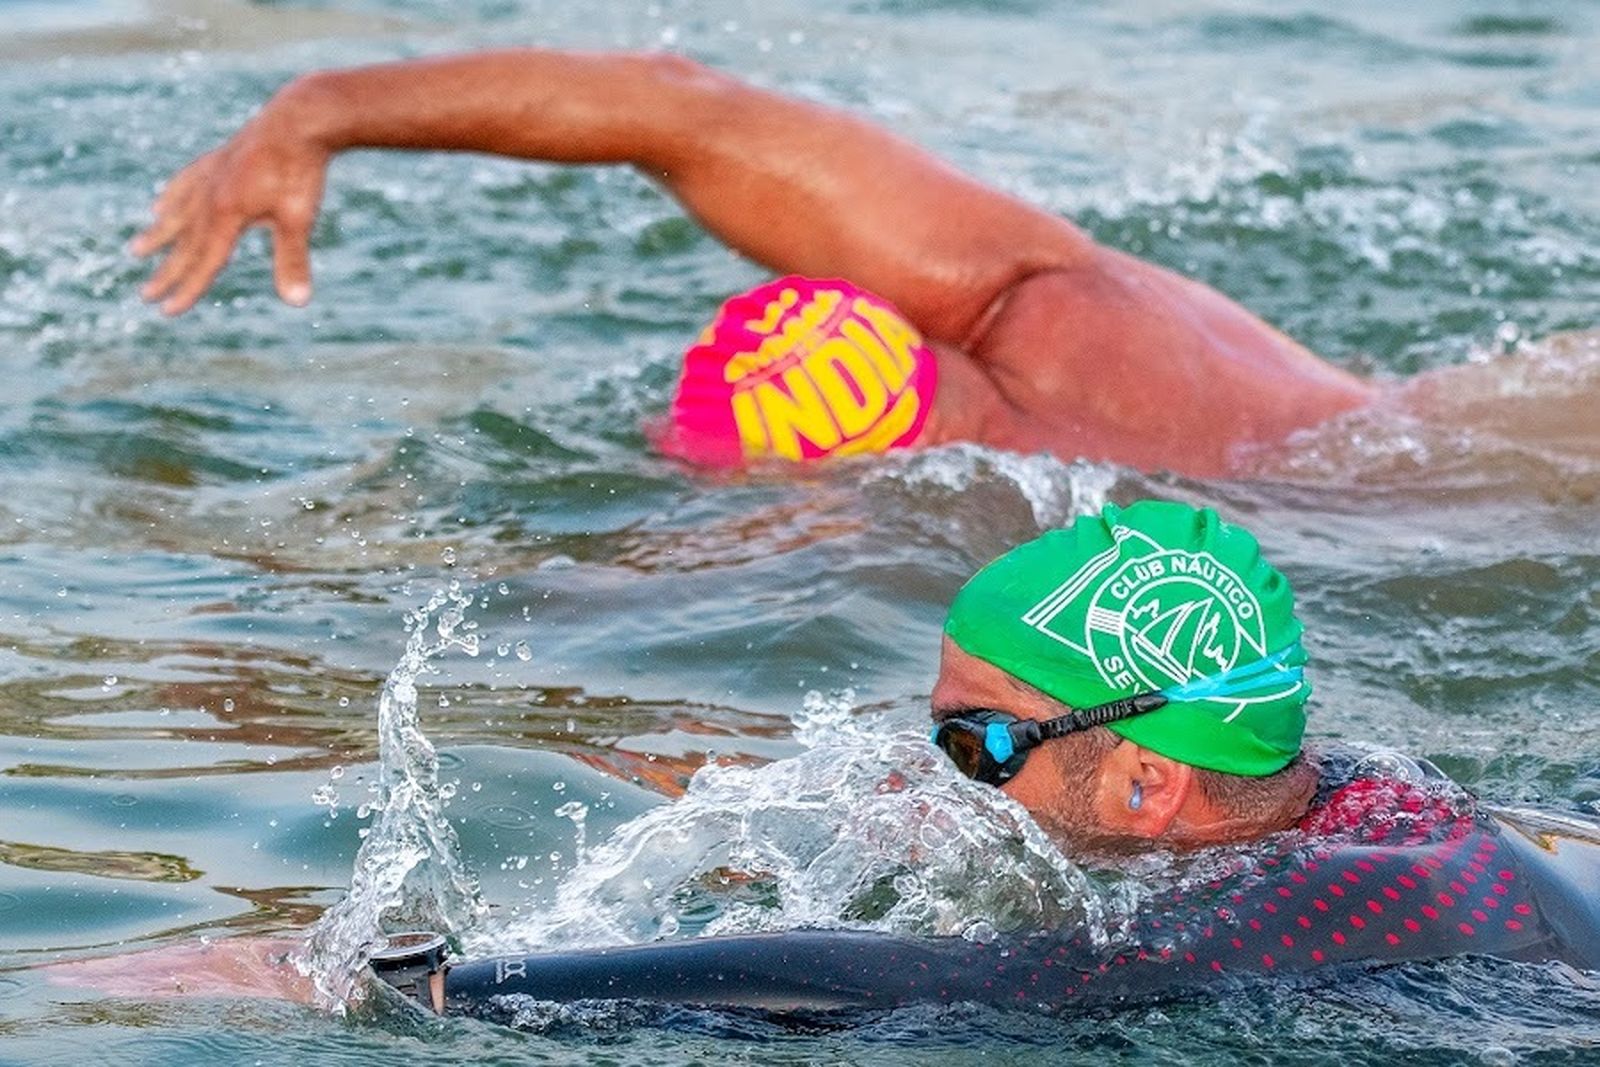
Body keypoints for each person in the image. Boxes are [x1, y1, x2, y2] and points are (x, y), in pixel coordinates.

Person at [46, 500, 1600, 1015]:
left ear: (1145, 785)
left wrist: (424, 981)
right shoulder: (1350, 804)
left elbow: (938, 991)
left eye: (977, 739)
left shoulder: (1287, 922)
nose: (939, 770)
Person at [133, 49, 1382, 477]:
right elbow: (684, 108)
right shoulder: (1025, 296)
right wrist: (328, 104)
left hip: (1458, 505)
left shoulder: (1039, 530)